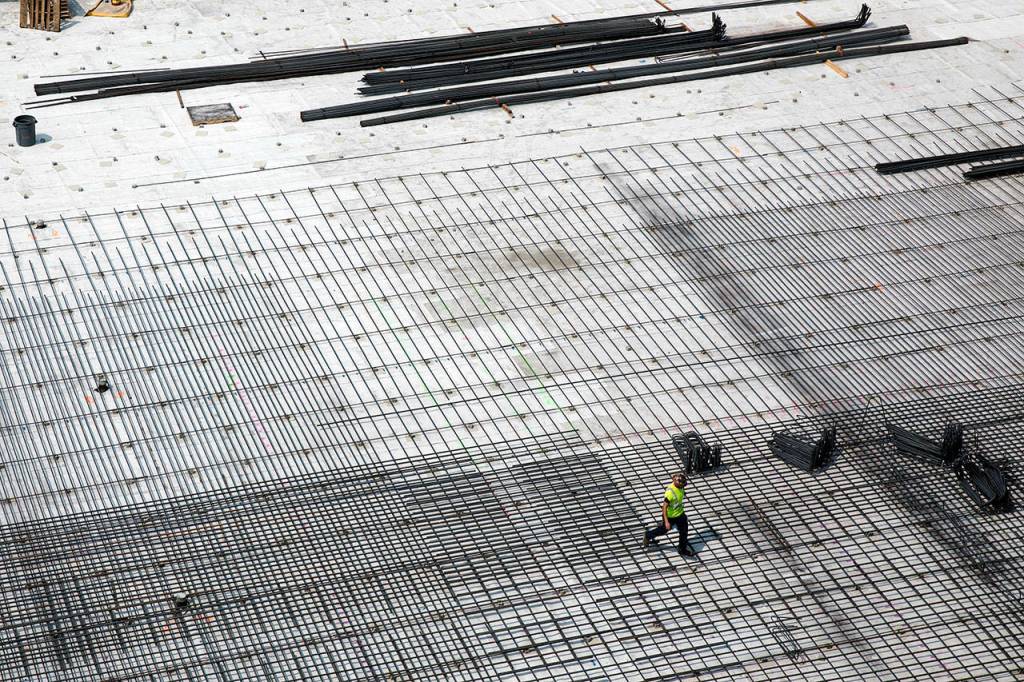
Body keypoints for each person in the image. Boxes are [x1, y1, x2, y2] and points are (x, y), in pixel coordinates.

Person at [643, 472, 695, 556]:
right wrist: (667, 522)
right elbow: (664, 507)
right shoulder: (670, 493)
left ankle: (682, 549)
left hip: (680, 514)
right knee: (664, 530)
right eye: (682, 484)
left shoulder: (680, 486)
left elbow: (675, 478)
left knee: (684, 531)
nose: (683, 486)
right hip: (670, 516)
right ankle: (648, 535)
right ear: (676, 482)